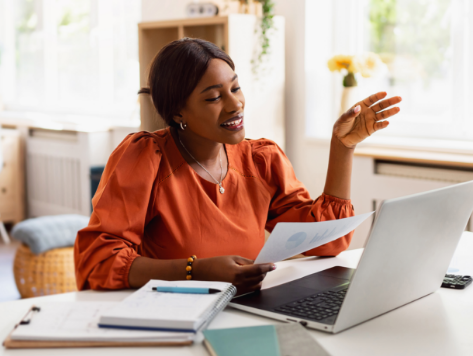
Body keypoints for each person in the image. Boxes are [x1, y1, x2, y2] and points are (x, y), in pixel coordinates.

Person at [74, 38, 401, 295]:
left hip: (248, 310)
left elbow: (329, 242)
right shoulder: (144, 158)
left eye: (235, 87)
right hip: (173, 317)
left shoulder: (262, 159)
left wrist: (342, 147)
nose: (235, 105)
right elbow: (98, 261)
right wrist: (195, 271)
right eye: (213, 97)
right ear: (177, 113)